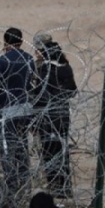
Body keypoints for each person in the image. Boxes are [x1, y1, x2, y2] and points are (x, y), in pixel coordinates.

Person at [0, 28, 35, 208]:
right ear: (21, 42)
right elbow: (33, 81)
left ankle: (12, 191)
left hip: (8, 110)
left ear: (5, 43)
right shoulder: (29, 59)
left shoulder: (3, 59)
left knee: (8, 150)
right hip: (25, 109)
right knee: (22, 146)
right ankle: (25, 188)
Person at [31, 41, 78, 198]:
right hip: (63, 115)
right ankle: (65, 188)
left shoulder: (45, 69)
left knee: (49, 153)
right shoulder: (65, 67)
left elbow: (39, 94)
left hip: (47, 117)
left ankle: (55, 188)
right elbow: (72, 91)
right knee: (62, 153)